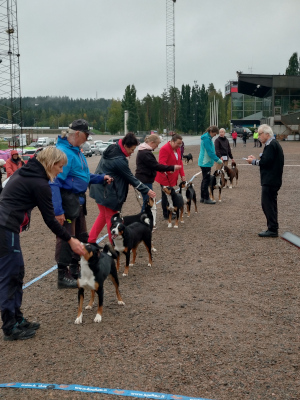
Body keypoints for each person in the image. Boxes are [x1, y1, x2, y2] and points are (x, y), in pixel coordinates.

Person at [0, 147, 85, 341]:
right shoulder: (39, 183)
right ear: (50, 164)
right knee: (10, 276)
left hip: (7, 227)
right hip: (5, 228)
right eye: (60, 166)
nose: (61, 171)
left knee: (18, 272)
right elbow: (51, 220)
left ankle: (17, 318)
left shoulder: (27, 171)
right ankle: (9, 326)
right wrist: (70, 239)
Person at [50, 119, 113, 289]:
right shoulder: (63, 153)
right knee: (66, 237)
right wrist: (58, 210)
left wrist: (101, 178)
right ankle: (62, 275)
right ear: (77, 134)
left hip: (78, 200)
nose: (87, 139)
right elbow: (54, 182)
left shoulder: (76, 151)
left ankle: (74, 269)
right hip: (67, 200)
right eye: (86, 135)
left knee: (80, 235)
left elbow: (83, 175)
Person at [88, 132, 156, 243]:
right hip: (108, 193)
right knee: (112, 220)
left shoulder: (112, 148)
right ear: (125, 146)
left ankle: (91, 240)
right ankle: (115, 247)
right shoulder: (119, 159)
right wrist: (147, 190)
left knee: (103, 216)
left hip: (98, 188)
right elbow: (130, 177)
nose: (133, 152)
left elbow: (118, 173)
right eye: (132, 149)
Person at [246, 124, 284, 237]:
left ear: (267, 134)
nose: (258, 136)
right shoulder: (273, 144)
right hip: (272, 179)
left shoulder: (271, 145)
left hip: (270, 180)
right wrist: (257, 159)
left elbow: (266, 162)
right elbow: (268, 160)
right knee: (271, 203)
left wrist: (253, 162)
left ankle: (272, 229)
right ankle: (273, 227)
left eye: (260, 133)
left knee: (267, 204)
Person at [135, 133, 181, 211]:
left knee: (148, 201)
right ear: (152, 142)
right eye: (157, 144)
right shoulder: (145, 153)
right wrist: (172, 167)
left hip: (146, 179)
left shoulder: (145, 151)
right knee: (148, 202)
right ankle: (144, 220)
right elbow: (156, 166)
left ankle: (145, 219)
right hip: (145, 180)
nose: (157, 146)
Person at [155, 133, 186, 219]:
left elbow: (180, 162)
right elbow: (162, 163)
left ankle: (171, 210)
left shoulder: (178, 149)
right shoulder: (164, 149)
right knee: (165, 195)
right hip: (164, 176)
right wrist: (169, 170)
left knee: (171, 195)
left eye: (181, 144)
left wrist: (182, 174)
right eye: (178, 144)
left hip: (173, 176)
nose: (179, 146)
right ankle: (166, 214)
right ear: (172, 141)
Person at [198, 126, 223, 204]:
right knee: (206, 180)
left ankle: (202, 197)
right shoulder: (206, 139)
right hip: (205, 162)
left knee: (204, 179)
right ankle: (206, 198)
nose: (215, 135)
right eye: (215, 134)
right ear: (211, 132)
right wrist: (218, 160)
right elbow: (210, 152)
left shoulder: (207, 138)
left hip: (205, 162)